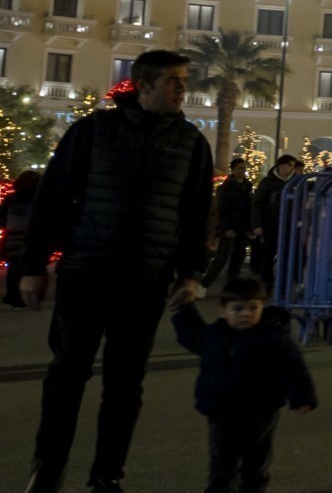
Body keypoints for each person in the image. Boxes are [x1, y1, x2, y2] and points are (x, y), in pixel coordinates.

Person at [25, 48, 214, 493]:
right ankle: (47, 469)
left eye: (184, 80)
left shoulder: (190, 141)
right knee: (68, 373)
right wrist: (33, 266)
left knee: (125, 383)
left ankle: (107, 474)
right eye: (172, 80)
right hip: (87, 271)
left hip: (146, 279)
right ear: (143, 86)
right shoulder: (94, 131)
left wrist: (191, 274)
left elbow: (197, 213)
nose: (182, 89)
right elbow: (52, 199)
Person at [171, 270, 316, 493]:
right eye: (237, 309)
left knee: (256, 463)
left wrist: (302, 396)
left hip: (261, 411)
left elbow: (293, 368)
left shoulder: (273, 338)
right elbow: (191, 332)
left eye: (253, 308)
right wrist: (183, 308)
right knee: (222, 464)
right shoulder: (214, 336)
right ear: (223, 311)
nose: (245, 314)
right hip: (223, 411)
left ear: (261, 307)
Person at [249, 156, 300, 290]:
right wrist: (257, 224)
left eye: (293, 166)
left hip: (289, 225)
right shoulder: (267, 183)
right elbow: (257, 204)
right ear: (280, 166)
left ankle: (283, 286)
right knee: (268, 255)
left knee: (287, 255)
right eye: (289, 165)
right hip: (271, 224)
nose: (291, 169)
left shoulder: (295, 183)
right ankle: (266, 284)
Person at [210, 160, 255, 285]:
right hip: (230, 226)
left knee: (238, 257)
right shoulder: (226, 187)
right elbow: (222, 210)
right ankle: (204, 283)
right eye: (240, 168)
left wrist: (250, 227)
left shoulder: (248, 186)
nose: (242, 171)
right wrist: (226, 228)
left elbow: (249, 208)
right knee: (222, 257)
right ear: (233, 170)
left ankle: (232, 284)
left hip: (243, 227)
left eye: (244, 168)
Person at [3, 167, 42, 308]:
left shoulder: (10, 199)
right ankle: (27, 294)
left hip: (12, 236)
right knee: (29, 265)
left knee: (14, 267)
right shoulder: (38, 200)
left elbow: (2, 217)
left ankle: (12, 295)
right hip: (31, 235)